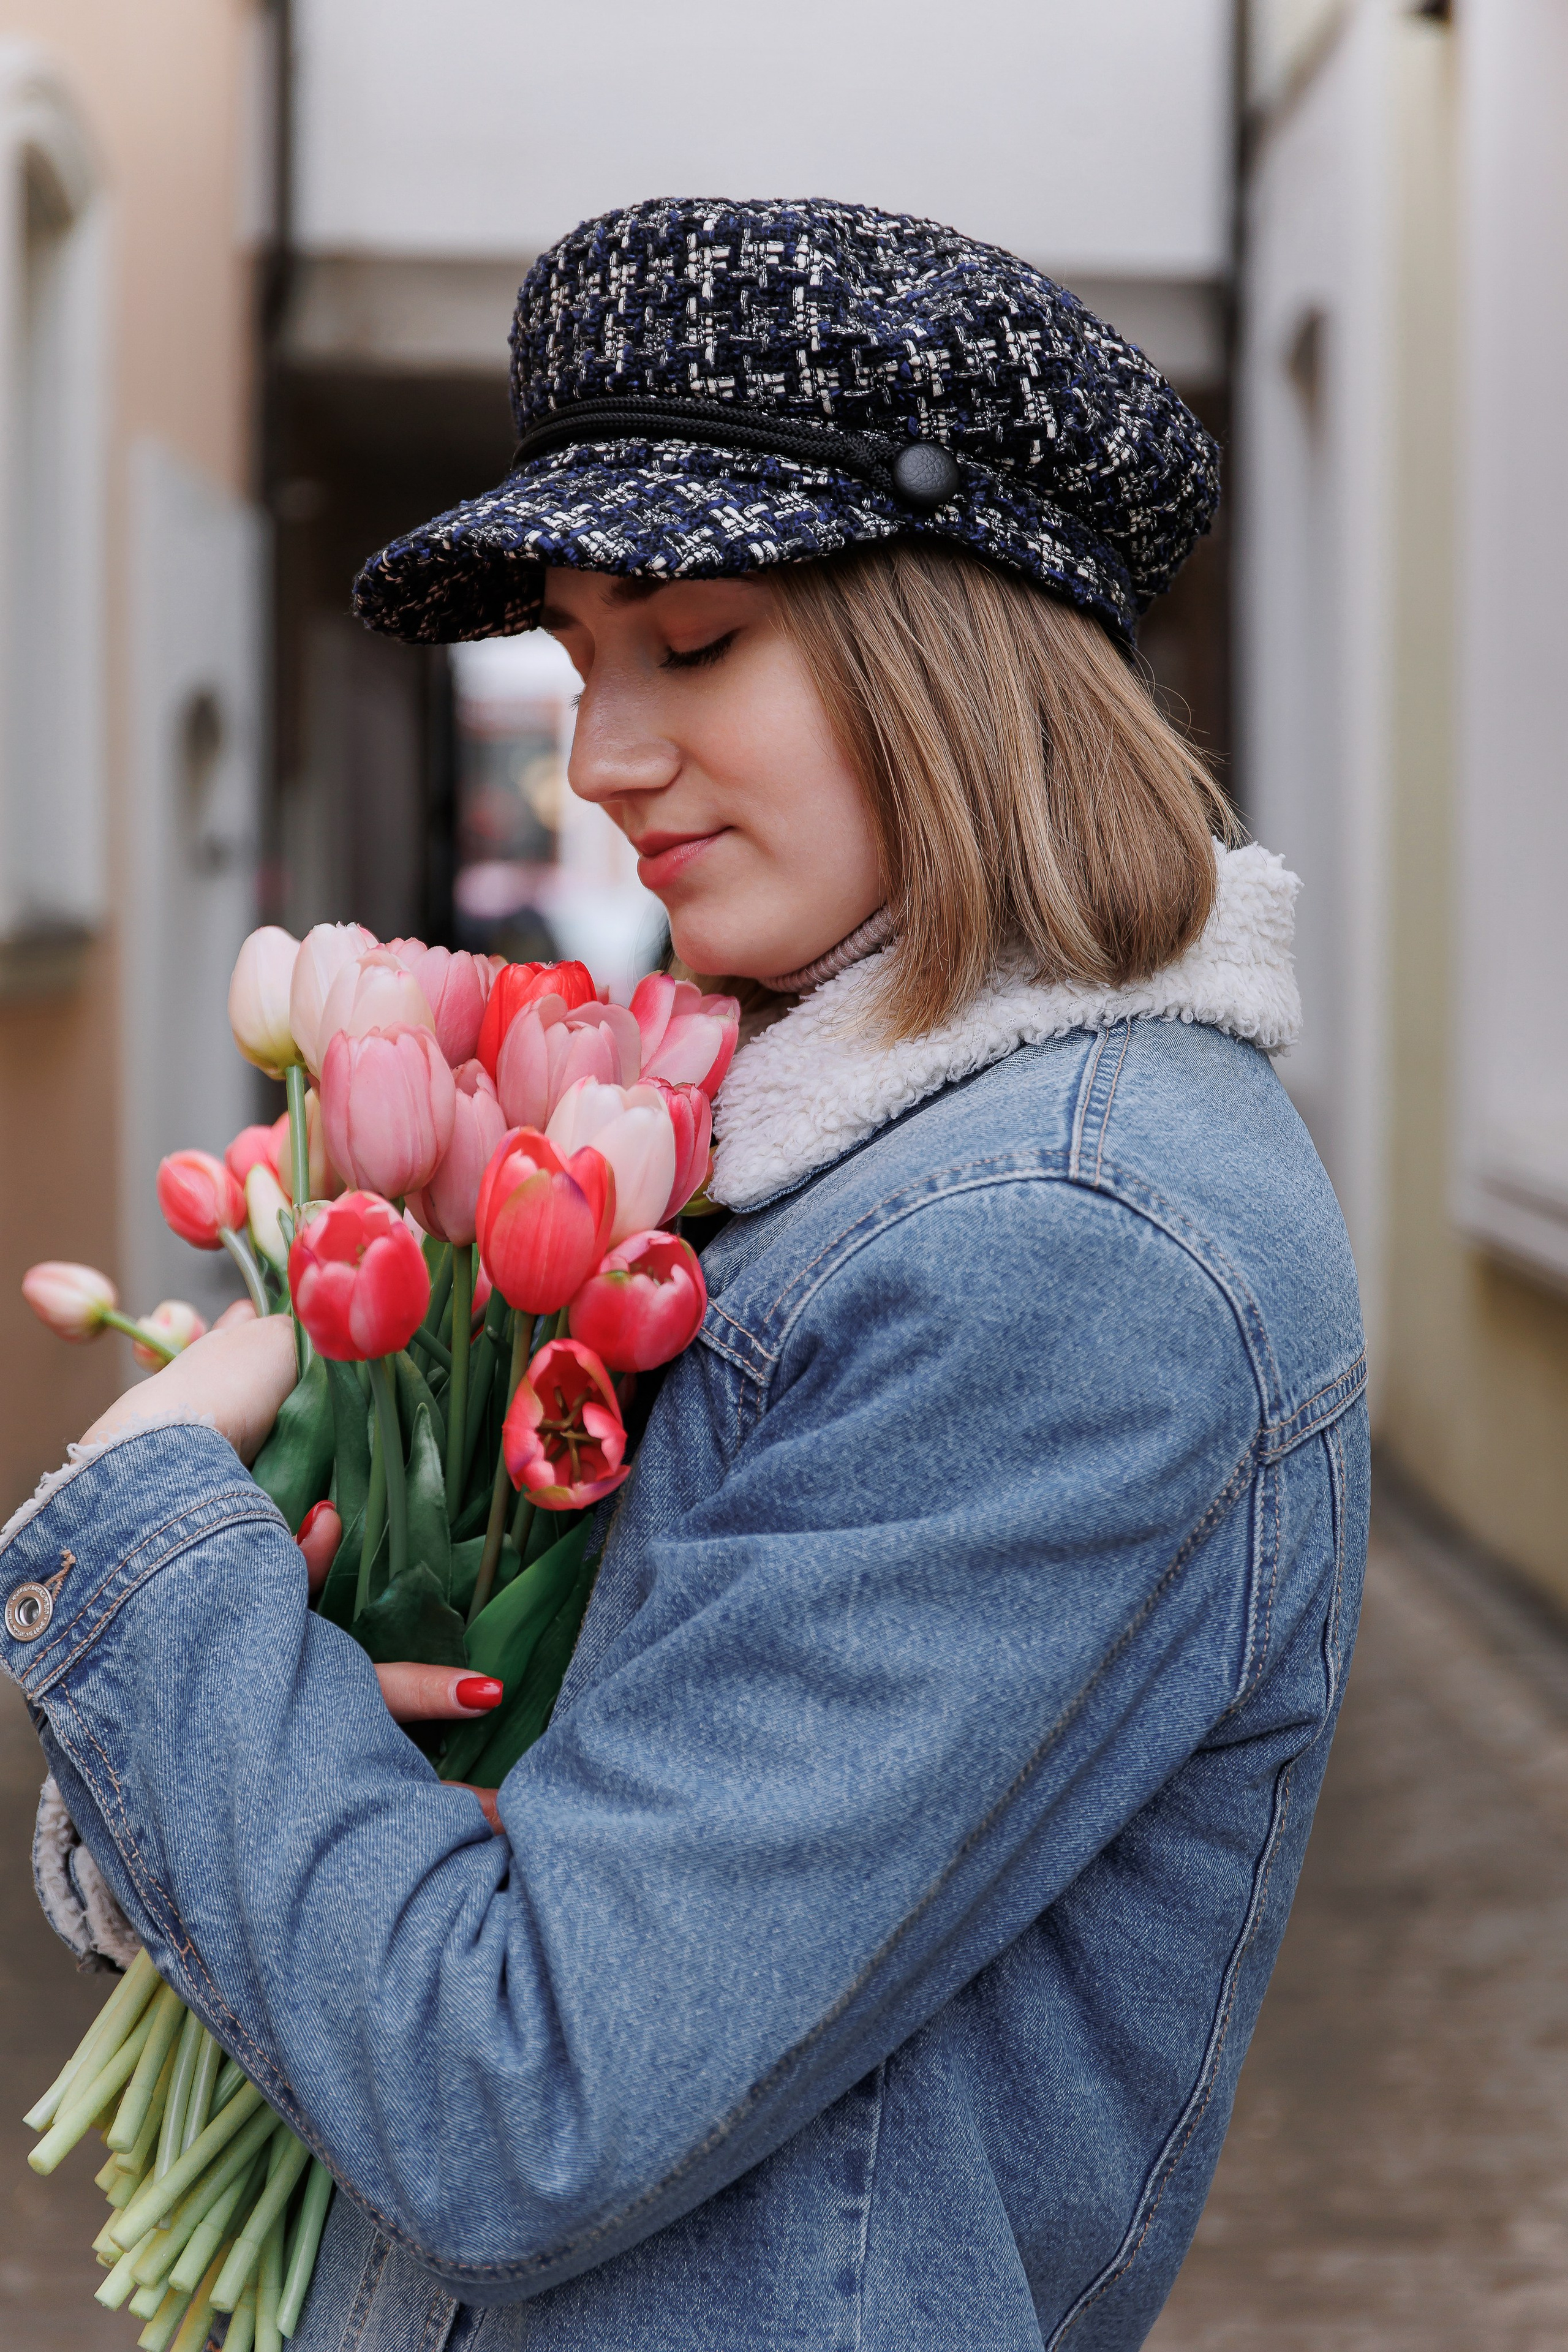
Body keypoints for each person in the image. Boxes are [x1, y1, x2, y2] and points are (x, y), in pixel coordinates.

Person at [1, 199, 1366, 2350]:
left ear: (954, 648)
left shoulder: (1064, 1249)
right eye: (578, 657)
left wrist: (157, 1528)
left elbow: (513, 2095)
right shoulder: (810, 1134)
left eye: (697, 640)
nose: (603, 760)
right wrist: (306, 1691)